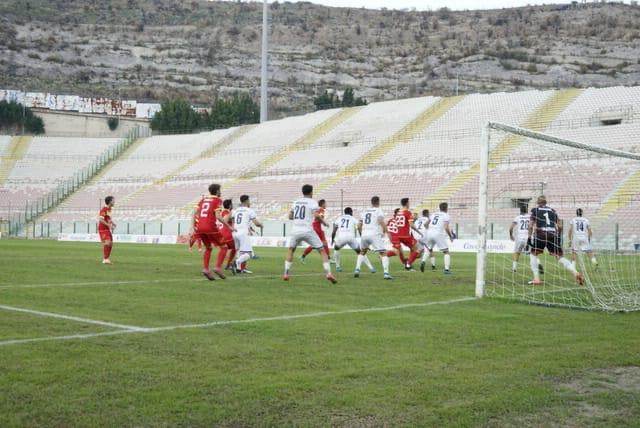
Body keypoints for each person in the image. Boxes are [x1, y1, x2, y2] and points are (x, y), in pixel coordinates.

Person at [283, 184, 337, 283]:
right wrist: (324, 222)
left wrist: (298, 217)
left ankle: (286, 273)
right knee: (322, 251)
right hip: (307, 230)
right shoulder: (312, 202)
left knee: (291, 250)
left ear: (302, 192)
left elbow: (290, 216)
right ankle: (328, 273)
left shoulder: (296, 202)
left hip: (295, 230)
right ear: (311, 192)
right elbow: (316, 215)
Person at [528, 195, 584, 286]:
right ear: (546, 203)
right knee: (560, 257)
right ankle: (576, 273)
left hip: (540, 234)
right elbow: (560, 226)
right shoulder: (553, 211)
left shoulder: (535, 210)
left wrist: (529, 237)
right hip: (552, 234)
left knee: (533, 254)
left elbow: (530, 225)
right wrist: (558, 236)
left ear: (538, 203)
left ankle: (536, 279)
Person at [192, 183, 233, 281]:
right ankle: (218, 268)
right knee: (224, 247)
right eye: (220, 190)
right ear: (217, 191)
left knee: (208, 248)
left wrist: (192, 227)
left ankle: (206, 269)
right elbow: (218, 216)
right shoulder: (217, 200)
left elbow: (194, 213)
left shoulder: (203, 199)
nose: (220, 192)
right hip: (210, 227)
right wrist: (228, 226)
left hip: (199, 227)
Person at [355, 196, 393, 280]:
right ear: (378, 202)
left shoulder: (365, 211)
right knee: (383, 253)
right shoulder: (378, 210)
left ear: (371, 202)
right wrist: (387, 232)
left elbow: (358, 225)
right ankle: (386, 274)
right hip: (374, 234)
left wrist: (362, 234)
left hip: (364, 234)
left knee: (362, 252)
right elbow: (380, 221)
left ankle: (357, 269)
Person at [331, 207, 375, 273]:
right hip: (351, 237)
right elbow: (359, 228)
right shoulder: (353, 219)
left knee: (336, 248)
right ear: (351, 212)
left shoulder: (339, 218)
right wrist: (362, 238)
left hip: (341, 237)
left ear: (345, 212)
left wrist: (332, 239)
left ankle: (338, 267)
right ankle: (371, 268)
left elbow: (334, 230)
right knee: (360, 252)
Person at [387, 198, 422, 270]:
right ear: (406, 203)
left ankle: (408, 263)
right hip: (405, 235)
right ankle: (408, 264)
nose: (409, 204)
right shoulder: (408, 212)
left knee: (408, 250)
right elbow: (411, 225)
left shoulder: (398, 213)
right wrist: (419, 232)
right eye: (409, 203)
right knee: (417, 249)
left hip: (398, 235)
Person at [232, 195, 263, 274]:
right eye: (249, 200)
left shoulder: (236, 210)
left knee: (240, 251)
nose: (250, 202)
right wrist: (261, 225)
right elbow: (256, 223)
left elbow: (232, 219)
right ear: (246, 201)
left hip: (235, 232)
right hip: (243, 232)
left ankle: (239, 269)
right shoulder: (249, 210)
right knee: (249, 254)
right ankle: (237, 262)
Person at [425, 202, 455, 274]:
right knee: (446, 251)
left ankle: (423, 261)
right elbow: (446, 228)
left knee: (429, 249)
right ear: (446, 208)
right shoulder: (446, 215)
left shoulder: (434, 214)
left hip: (429, 233)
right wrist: (450, 236)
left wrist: (428, 230)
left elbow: (426, 224)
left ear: (440, 207)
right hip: (438, 233)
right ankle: (446, 270)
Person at [300, 199, 330, 263]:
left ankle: (303, 256)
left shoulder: (317, 209)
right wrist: (325, 223)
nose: (326, 205)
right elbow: (318, 218)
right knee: (324, 243)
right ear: (322, 204)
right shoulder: (321, 209)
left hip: (315, 226)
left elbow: (317, 218)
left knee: (316, 244)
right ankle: (328, 259)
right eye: (325, 203)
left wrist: (323, 222)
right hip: (318, 228)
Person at [215, 199, 236, 278]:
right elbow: (225, 220)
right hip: (226, 233)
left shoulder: (222, 212)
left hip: (221, 233)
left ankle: (227, 264)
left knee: (226, 249)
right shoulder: (228, 212)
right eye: (232, 204)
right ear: (230, 205)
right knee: (234, 248)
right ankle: (229, 264)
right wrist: (231, 225)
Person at [509, 205, 530, 272]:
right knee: (532, 254)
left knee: (517, 253)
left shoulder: (517, 217)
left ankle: (514, 268)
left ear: (520, 210)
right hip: (528, 238)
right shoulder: (530, 217)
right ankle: (538, 264)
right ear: (526, 210)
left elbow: (511, 228)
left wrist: (511, 235)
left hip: (519, 238)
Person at [98, 196, 116, 265]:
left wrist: (113, 223)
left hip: (107, 229)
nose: (114, 202)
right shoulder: (104, 209)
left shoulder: (109, 209)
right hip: (102, 229)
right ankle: (105, 259)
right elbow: (101, 219)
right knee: (107, 242)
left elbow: (108, 218)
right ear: (110, 201)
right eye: (113, 200)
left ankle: (107, 259)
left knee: (111, 243)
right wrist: (109, 225)